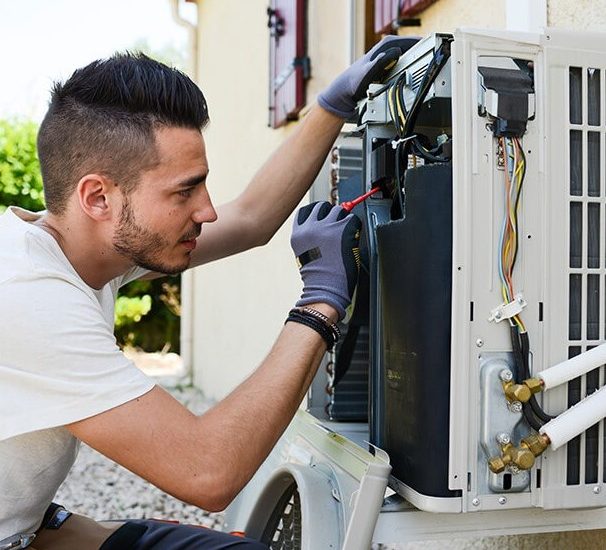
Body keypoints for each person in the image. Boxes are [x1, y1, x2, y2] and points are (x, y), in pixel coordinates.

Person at [0, 36, 412, 549]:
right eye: (183, 191)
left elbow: (250, 220)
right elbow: (208, 471)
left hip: (30, 525)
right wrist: (322, 299)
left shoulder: (77, 248)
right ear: (98, 197)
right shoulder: (29, 297)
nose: (207, 210)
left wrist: (330, 107)